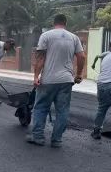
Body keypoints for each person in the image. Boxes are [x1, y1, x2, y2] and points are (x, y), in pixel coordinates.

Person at [26, 14, 85, 147]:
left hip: (49, 80)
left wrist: (36, 77)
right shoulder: (74, 37)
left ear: (54, 23)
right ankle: (57, 140)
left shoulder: (46, 35)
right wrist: (79, 75)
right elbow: (81, 57)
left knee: (41, 107)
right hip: (66, 80)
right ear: (65, 23)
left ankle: (38, 137)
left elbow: (40, 58)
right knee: (62, 110)